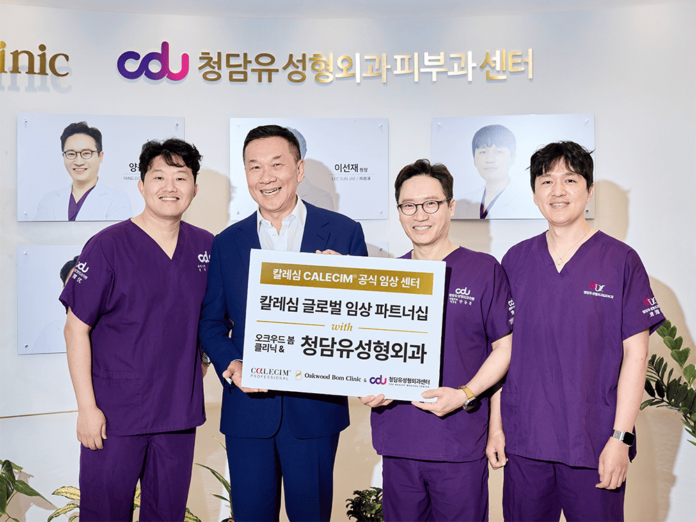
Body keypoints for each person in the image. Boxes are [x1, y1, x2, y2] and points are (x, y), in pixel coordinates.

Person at [198, 124, 368, 522]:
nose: (266, 177)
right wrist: (232, 364)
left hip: (315, 410)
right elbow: (210, 322)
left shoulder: (343, 233)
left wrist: (345, 282)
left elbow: (362, 319)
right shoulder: (226, 242)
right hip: (248, 410)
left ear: (299, 169)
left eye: (277, 164)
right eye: (254, 166)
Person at [490, 141, 664, 521]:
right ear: (534, 193)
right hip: (526, 441)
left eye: (570, 179)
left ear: (589, 190)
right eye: (546, 181)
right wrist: (496, 427)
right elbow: (501, 351)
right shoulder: (515, 260)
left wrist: (621, 438)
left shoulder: (621, 261)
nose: (558, 191)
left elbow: (637, 356)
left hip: (593, 442)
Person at [60, 138, 213, 521]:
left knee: (167, 515)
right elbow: (75, 330)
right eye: (159, 177)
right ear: (141, 185)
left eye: (181, 177)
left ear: (194, 188)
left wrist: (200, 366)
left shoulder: (207, 247)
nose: (170, 187)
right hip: (114, 415)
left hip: (177, 415)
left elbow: (216, 321)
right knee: (104, 513)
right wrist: (87, 408)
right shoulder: (107, 246)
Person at [361, 159, 513, 522]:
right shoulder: (387, 277)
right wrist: (367, 385)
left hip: (458, 442)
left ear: (450, 206)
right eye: (409, 205)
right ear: (399, 211)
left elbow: (504, 349)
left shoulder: (484, 270)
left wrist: (464, 394)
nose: (420, 215)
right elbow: (369, 353)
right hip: (399, 439)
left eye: (430, 203)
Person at [34, 121, 132, 221]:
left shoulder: (117, 200)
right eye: (71, 154)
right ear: (63, 157)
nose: (78, 162)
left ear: (100, 156)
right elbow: (37, 231)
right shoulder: (49, 201)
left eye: (86, 153)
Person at [454, 124, 526, 219]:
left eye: (498, 152)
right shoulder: (461, 203)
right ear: (474, 160)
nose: (489, 159)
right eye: (483, 152)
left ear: (512, 159)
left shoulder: (526, 203)